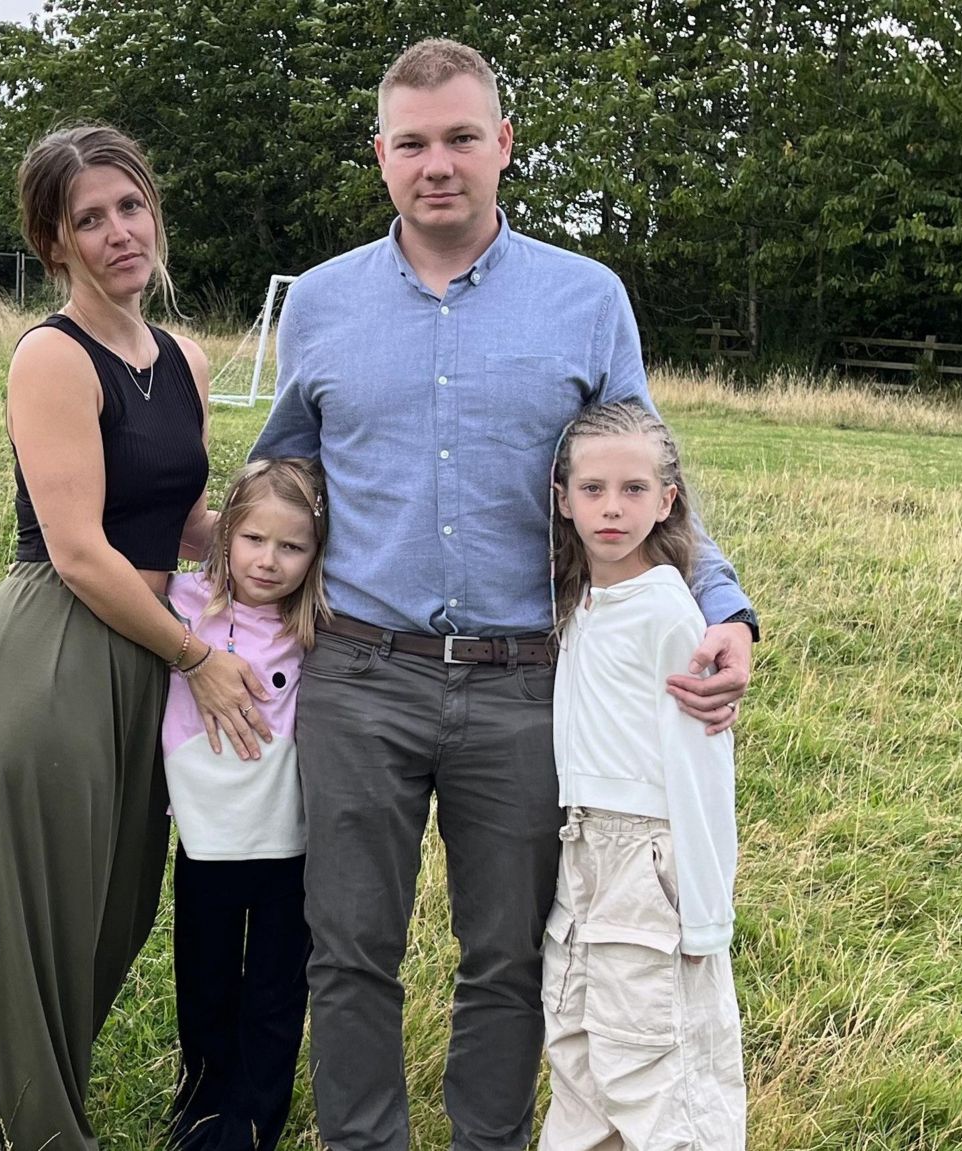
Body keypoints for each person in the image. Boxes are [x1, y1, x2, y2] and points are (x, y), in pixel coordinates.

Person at [250, 38, 759, 1151]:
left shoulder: (584, 299)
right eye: (414, 143)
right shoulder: (324, 303)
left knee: (511, 951)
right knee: (347, 946)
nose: (439, 164)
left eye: (462, 138)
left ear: (503, 147)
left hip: (527, 680)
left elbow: (647, 476)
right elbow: (278, 476)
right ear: (380, 155)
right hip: (358, 673)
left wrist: (724, 609)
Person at [0, 124, 273, 1151]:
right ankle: (33, 1127)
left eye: (130, 206)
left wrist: (289, 547)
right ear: (53, 242)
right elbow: (77, 548)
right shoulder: (50, 356)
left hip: (142, 652)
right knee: (44, 915)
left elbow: (182, 522)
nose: (118, 232)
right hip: (54, 654)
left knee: (112, 918)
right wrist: (198, 656)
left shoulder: (183, 358)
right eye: (88, 218)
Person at [541, 400, 746, 1150]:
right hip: (580, 855)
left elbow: (702, 767)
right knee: (579, 1053)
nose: (612, 508)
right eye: (592, 489)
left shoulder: (668, 610)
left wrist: (704, 910)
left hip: (648, 864)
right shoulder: (581, 600)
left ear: (668, 500)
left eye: (634, 489)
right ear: (562, 499)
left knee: (661, 1077)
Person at [161, 457, 328, 1151]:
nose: (269, 560)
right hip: (205, 835)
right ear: (225, 534)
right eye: (254, 539)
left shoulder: (319, 622)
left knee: (275, 989)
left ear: (315, 555)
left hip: (287, 838)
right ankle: (202, 1105)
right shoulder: (179, 604)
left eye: (291, 546)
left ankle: (253, 1120)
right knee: (204, 978)